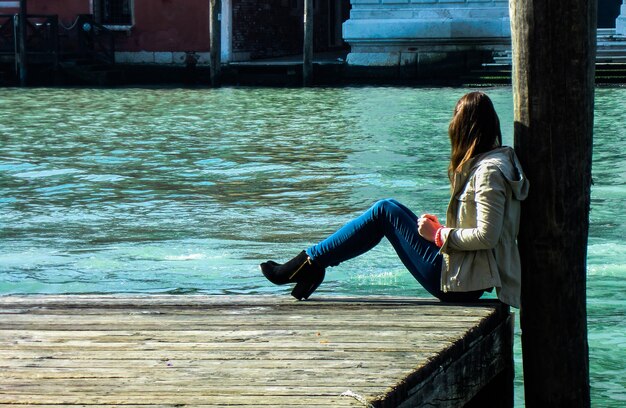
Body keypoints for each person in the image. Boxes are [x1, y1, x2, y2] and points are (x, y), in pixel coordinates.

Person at [260, 92, 529, 308]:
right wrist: (437, 231)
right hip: (465, 274)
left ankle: (306, 265)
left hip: (458, 283)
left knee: (384, 211)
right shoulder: (494, 163)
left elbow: (487, 236)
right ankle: (311, 264)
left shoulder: (488, 172)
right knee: (389, 209)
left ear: (465, 129)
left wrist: (439, 234)